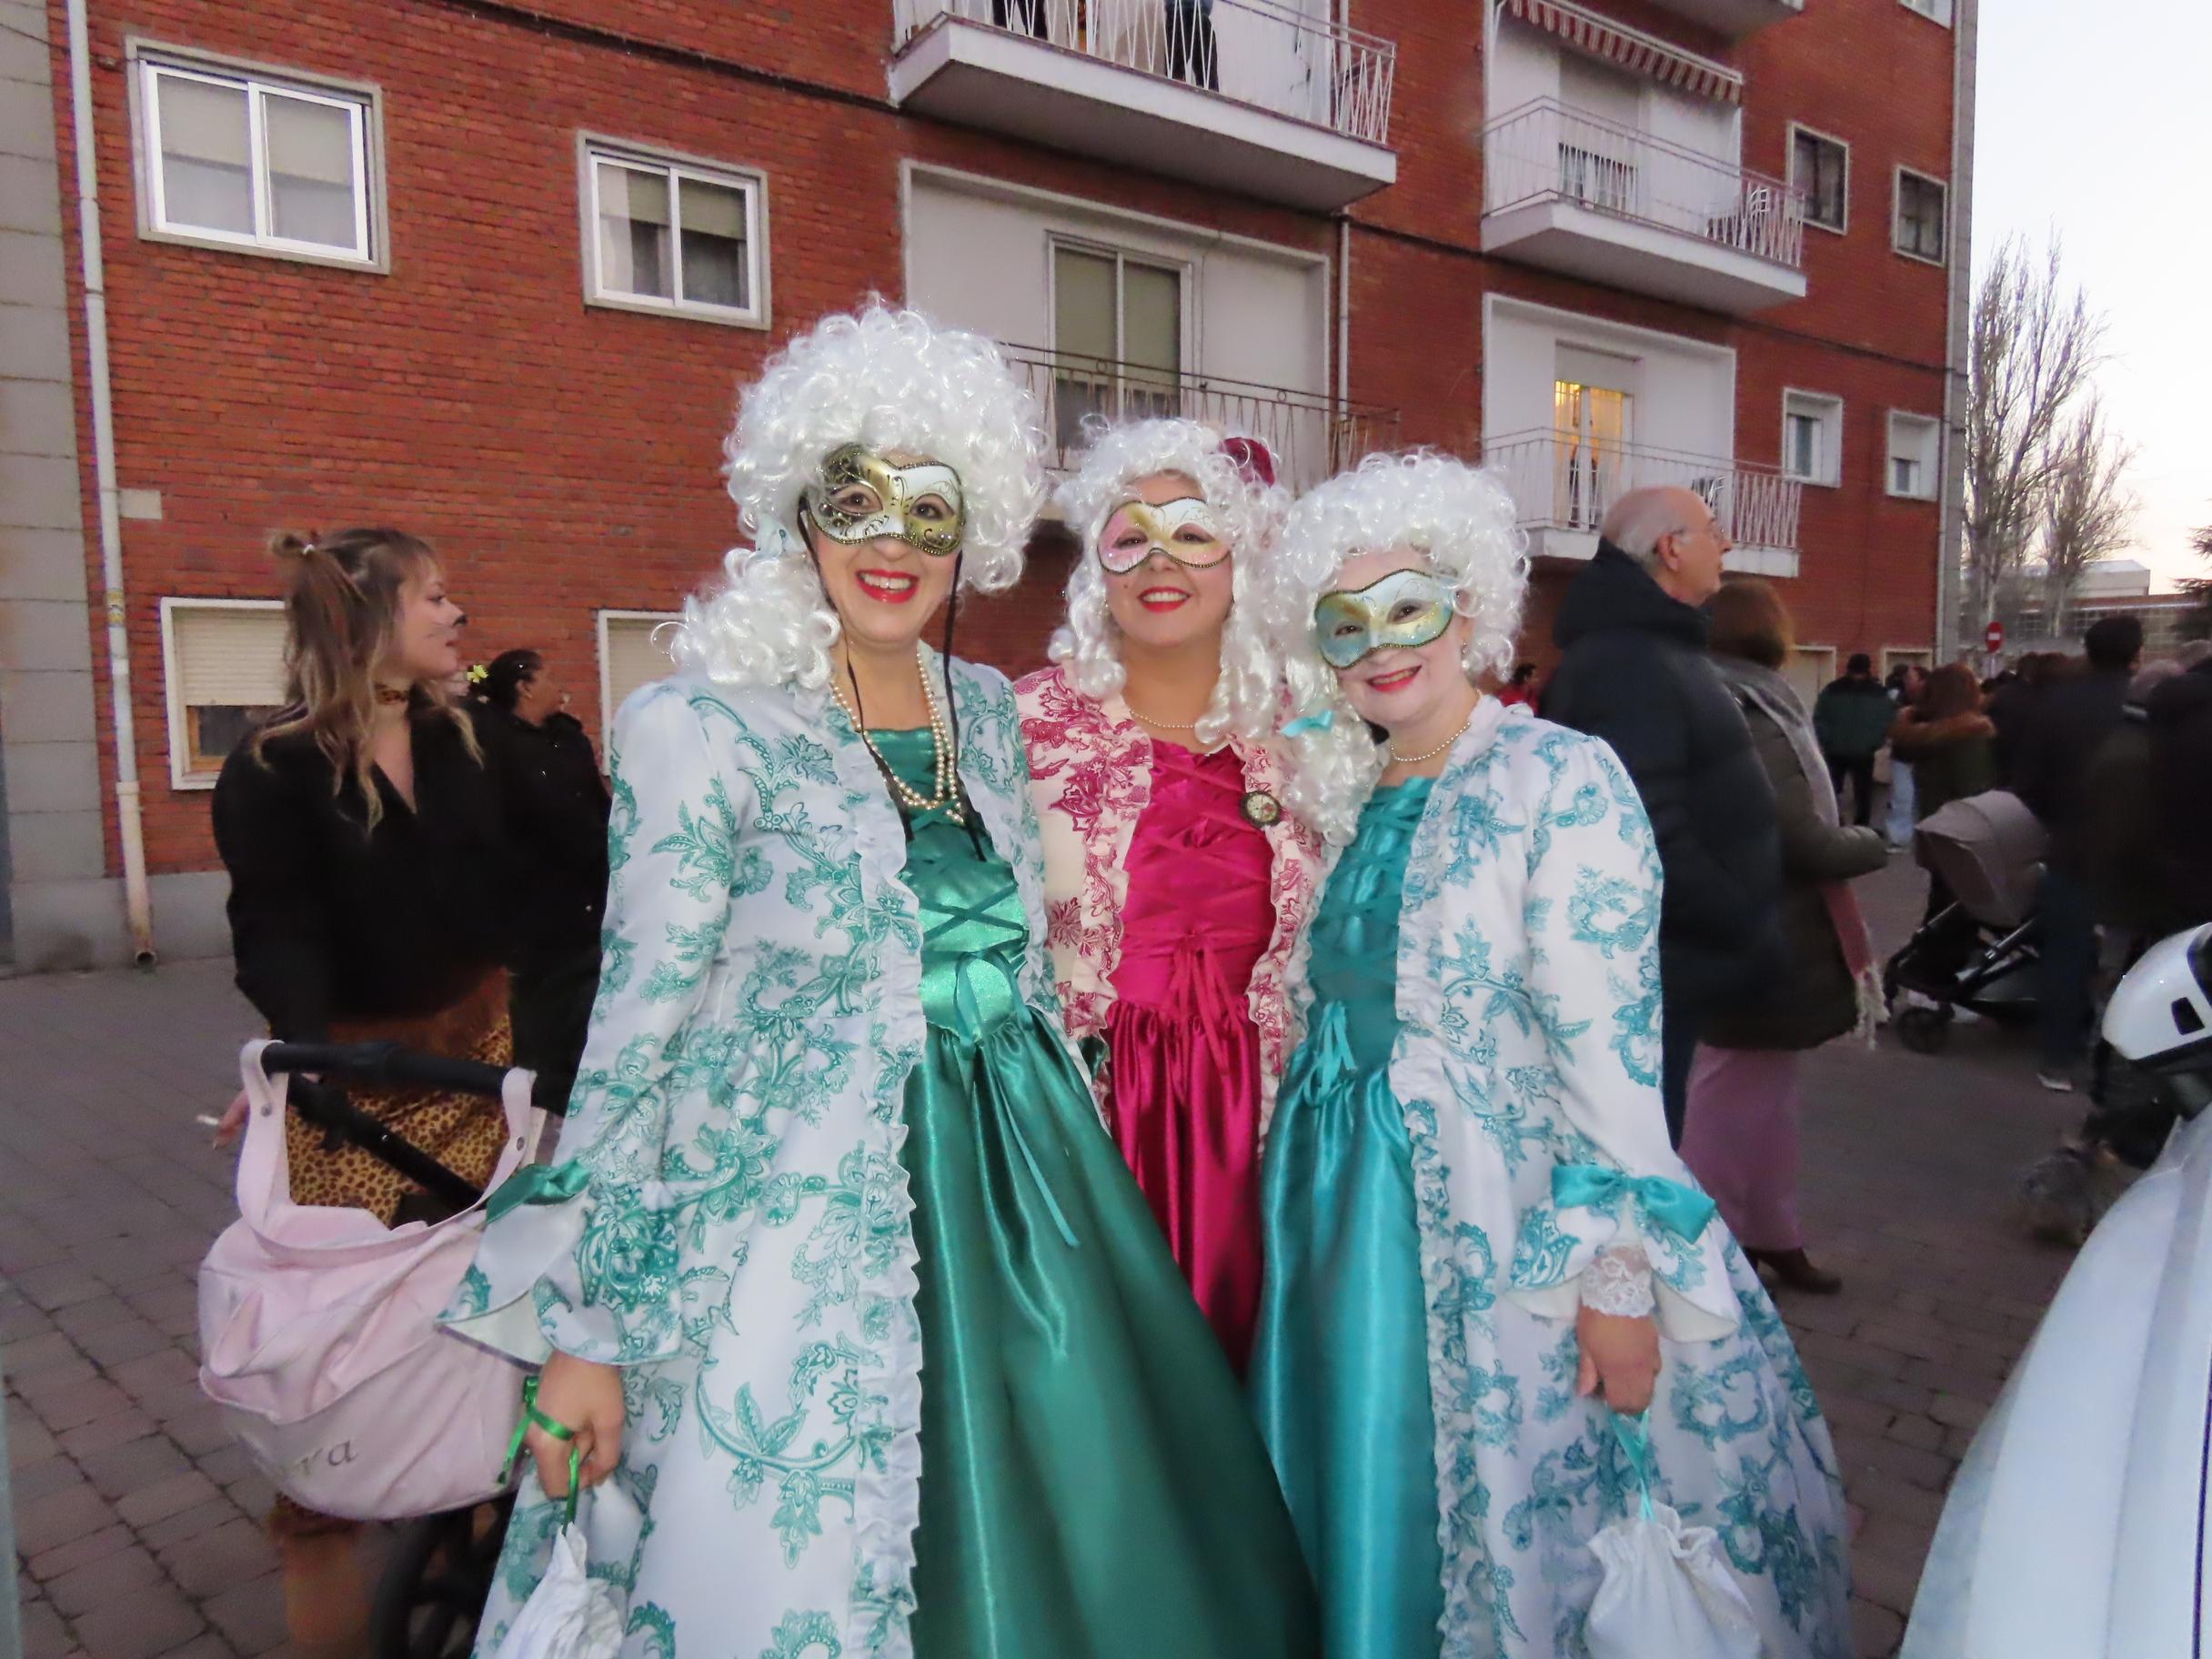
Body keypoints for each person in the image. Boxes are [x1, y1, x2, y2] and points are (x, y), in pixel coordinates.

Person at [445, 307, 1317, 1659]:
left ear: (972, 526)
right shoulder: (704, 725)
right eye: (854, 501)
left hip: (1029, 1190)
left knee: (1085, 1523)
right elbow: (637, 1037)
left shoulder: (982, 707)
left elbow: (1031, 953)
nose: (892, 541)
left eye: (929, 508)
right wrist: (591, 1325)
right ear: (798, 511)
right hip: (798, 1208)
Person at [1252, 453, 1850, 1659]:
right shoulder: (1354, 793)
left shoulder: (1556, 777)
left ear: (1470, 605)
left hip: (1497, 1215)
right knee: (1362, 1483)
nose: (1379, 644)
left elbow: (1611, 1060)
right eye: (1346, 620)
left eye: (1408, 607)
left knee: (1516, 1515)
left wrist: (1617, 1289)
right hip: (1339, 1217)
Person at [211, 528, 512, 1659]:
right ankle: (332, 1547)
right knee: (336, 1359)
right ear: (368, 622)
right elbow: (275, 927)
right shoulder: (274, 768)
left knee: (490, 1342)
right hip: (361, 1089)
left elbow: (536, 895)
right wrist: (296, 1064)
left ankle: (484, 1542)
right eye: (435, 597)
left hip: (490, 1069)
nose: (456, 616)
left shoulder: (473, 740)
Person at [1016, 419, 1322, 1370]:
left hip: (1271, 1135)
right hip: (1089, 1130)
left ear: (1242, 558)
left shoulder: (1313, 737)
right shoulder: (1018, 726)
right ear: (1095, 568)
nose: (1162, 561)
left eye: (1193, 533)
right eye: (1129, 535)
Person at [1539, 484, 1784, 1146]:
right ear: (1672, 549)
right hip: (1653, 973)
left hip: (1671, 964)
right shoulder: (1630, 663)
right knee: (1640, 1162)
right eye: (1712, 529)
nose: (1727, 543)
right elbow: (1642, 831)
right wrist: (1734, 909)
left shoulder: (1654, 650)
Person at [1681, 581, 1885, 1296]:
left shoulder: (1737, 695)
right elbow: (1796, 833)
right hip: (1754, 928)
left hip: (1753, 924)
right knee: (1726, 1095)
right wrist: (1870, 844)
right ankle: (1708, 1253)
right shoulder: (1745, 702)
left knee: (1761, 1095)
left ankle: (1770, 1233)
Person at [468, 649, 611, 1111]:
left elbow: (594, 798)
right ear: (525, 686)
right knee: (534, 999)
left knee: (584, 990)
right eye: (548, 676)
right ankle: (530, 1088)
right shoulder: (493, 742)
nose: (558, 684)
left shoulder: (565, 736)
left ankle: (575, 1082)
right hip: (530, 899)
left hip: (586, 891)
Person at [2011, 616, 2144, 1091]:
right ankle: (2122, 1060)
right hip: (2136, 851)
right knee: (2137, 955)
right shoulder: (2144, 704)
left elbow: (2027, 783)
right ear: (2136, 652)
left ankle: (2058, 1057)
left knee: (2065, 953)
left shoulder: (2057, 706)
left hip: (2070, 846)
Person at [1812, 651, 1893, 826]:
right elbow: (1886, 721)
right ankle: (1859, 826)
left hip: (1840, 750)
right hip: (1857, 751)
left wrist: (1827, 739)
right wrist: (1874, 742)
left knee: (1838, 791)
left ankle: (1835, 823)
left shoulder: (1832, 690)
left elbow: (1819, 717)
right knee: (1859, 793)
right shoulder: (1878, 694)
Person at [1881, 662, 1927, 848]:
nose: (1906, 681)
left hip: (1922, 754)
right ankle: (1898, 837)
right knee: (1902, 797)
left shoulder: (1930, 701)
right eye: (1906, 677)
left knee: (1917, 797)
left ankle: (1921, 835)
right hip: (1903, 754)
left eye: (1911, 677)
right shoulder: (1897, 697)